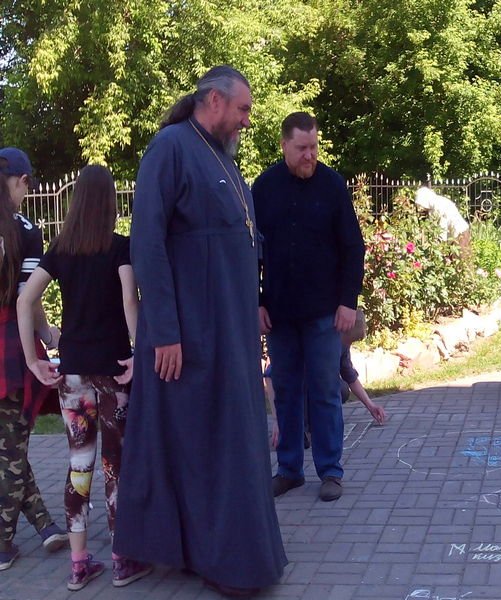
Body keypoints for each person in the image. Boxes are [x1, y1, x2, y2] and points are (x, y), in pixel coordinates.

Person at [112, 66, 286, 596]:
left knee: (230, 443)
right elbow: (147, 245)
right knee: (204, 446)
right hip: (190, 337)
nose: (247, 120)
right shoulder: (170, 148)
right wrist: (164, 331)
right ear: (214, 100)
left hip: (229, 333)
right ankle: (223, 561)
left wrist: (253, 306)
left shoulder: (221, 157)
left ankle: (231, 555)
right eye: (243, 109)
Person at [17, 165, 152, 590]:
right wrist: (139, 353)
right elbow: (130, 301)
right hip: (114, 370)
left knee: (79, 463)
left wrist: (33, 360)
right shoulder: (120, 248)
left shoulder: (61, 249)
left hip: (72, 372)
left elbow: (25, 300)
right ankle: (122, 559)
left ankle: (78, 564)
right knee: (115, 464)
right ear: (111, 202)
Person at [253, 111, 365, 502]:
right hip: (280, 313)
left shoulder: (332, 185)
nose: (309, 155)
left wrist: (347, 302)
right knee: (285, 391)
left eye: (314, 147)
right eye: (302, 148)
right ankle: (289, 470)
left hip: (324, 313)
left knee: (324, 390)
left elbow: (353, 247)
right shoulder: (264, 188)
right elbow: (251, 251)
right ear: (284, 145)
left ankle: (330, 470)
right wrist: (257, 302)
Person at [0, 147, 68, 572]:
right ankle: (3, 543)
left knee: (8, 447)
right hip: (10, 346)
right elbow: (28, 298)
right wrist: (44, 338)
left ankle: (44, 525)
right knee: (10, 449)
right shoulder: (25, 229)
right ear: (23, 181)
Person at [266, 310, 386, 451]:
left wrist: (371, 406)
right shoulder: (311, 341)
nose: (346, 346)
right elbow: (270, 376)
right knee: (305, 382)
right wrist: (277, 420)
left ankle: (316, 423)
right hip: (296, 387)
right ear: (339, 331)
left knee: (341, 389)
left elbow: (350, 377)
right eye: (347, 340)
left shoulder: (343, 345)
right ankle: (298, 426)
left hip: (315, 384)